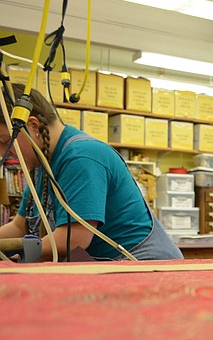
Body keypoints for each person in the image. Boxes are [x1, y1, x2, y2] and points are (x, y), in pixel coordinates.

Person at [0, 83, 183, 261]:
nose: (3, 152)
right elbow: (19, 226)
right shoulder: (41, 165)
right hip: (107, 264)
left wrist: (21, 251)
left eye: (4, 141)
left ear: (33, 125)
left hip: (146, 265)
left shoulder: (82, 158)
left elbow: (74, 239)